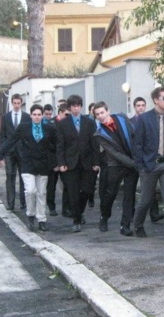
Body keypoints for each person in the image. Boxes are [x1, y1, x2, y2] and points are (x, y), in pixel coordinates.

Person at [132, 87, 164, 245]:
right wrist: (140, 165)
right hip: (149, 165)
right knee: (145, 199)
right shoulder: (144, 119)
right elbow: (137, 144)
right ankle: (138, 225)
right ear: (156, 100)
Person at [0, 104, 57, 232]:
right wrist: (0, 154)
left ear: (42, 116)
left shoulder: (49, 129)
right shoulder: (24, 127)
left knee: (41, 193)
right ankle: (30, 215)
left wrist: (57, 162)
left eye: (39, 115)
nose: (37, 117)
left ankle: (41, 219)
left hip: (43, 165)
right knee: (30, 191)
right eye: (34, 115)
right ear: (30, 115)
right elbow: (12, 140)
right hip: (28, 164)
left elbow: (55, 146)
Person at [93, 102, 138, 236]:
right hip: (115, 165)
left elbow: (134, 135)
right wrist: (133, 163)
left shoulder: (122, 118)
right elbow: (115, 154)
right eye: (97, 114)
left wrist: (137, 158)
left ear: (108, 111)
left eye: (102, 112)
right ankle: (104, 217)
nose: (101, 116)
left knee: (129, 195)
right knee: (110, 194)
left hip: (132, 161)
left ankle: (125, 225)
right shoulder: (99, 133)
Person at [56, 95, 100, 232]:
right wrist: (61, 162)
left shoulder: (89, 123)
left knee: (87, 190)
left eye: (78, 105)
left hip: (87, 163)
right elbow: (60, 145)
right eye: (73, 106)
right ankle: (76, 220)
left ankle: (79, 212)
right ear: (69, 107)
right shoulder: (63, 123)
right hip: (70, 163)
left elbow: (95, 144)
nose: (76, 108)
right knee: (73, 192)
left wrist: (96, 162)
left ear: (81, 106)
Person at [0, 94, 31, 211]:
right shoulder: (6, 117)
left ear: (21, 103)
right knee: (10, 176)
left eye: (18, 103)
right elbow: (2, 135)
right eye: (15, 103)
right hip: (10, 152)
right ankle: (10, 203)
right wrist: (2, 152)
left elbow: (28, 135)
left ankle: (24, 202)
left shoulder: (27, 117)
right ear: (12, 103)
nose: (17, 105)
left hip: (23, 152)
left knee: (24, 178)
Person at [48, 103, 71, 218]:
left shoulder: (69, 124)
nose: (68, 117)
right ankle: (51, 206)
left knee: (67, 184)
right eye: (66, 114)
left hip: (65, 160)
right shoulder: (51, 125)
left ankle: (66, 208)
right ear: (60, 113)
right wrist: (55, 163)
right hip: (53, 160)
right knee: (51, 185)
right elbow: (49, 146)